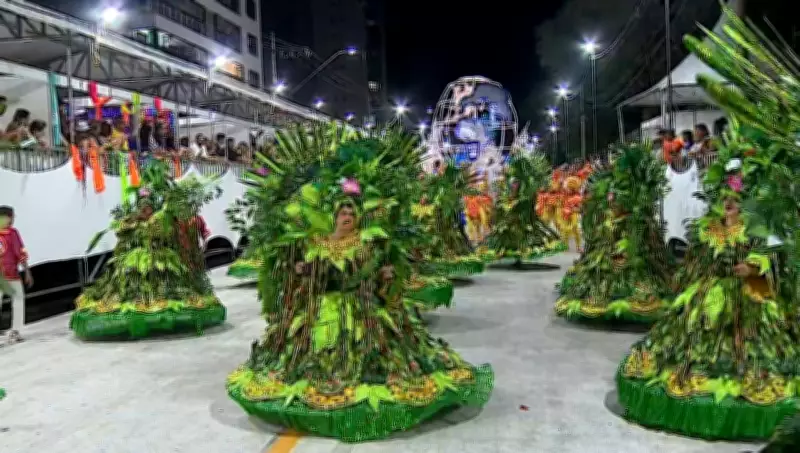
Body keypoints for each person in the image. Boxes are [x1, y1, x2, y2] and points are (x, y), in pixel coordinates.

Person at [0, 206, 33, 344]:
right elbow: (21, 253)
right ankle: (15, 332)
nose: (13, 219)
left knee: (15, 301)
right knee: (18, 301)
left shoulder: (12, 233)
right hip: (8, 274)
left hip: (7, 274)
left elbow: (20, 253)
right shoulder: (12, 233)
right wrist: (27, 272)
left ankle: (15, 332)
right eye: (12, 216)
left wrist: (26, 270)